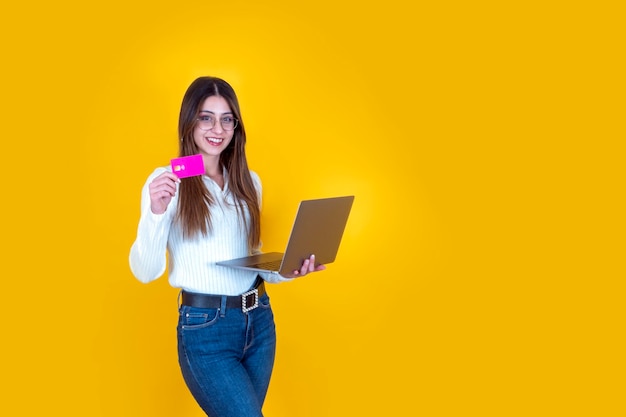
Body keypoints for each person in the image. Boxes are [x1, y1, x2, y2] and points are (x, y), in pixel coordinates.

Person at [129, 76, 325, 417]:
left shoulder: (249, 181)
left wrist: (291, 269)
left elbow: (251, 261)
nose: (216, 128)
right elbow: (145, 272)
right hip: (206, 332)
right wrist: (156, 213)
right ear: (189, 122)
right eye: (206, 117)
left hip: (260, 322)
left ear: (236, 126)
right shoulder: (166, 182)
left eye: (226, 118)